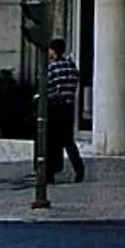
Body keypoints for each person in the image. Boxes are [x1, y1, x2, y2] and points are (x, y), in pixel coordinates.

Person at [46, 36, 86, 183]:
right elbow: (76, 81)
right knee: (68, 141)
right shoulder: (72, 66)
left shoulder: (52, 68)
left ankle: (49, 174)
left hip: (55, 106)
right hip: (69, 106)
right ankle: (79, 169)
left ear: (54, 51)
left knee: (51, 141)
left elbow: (47, 88)